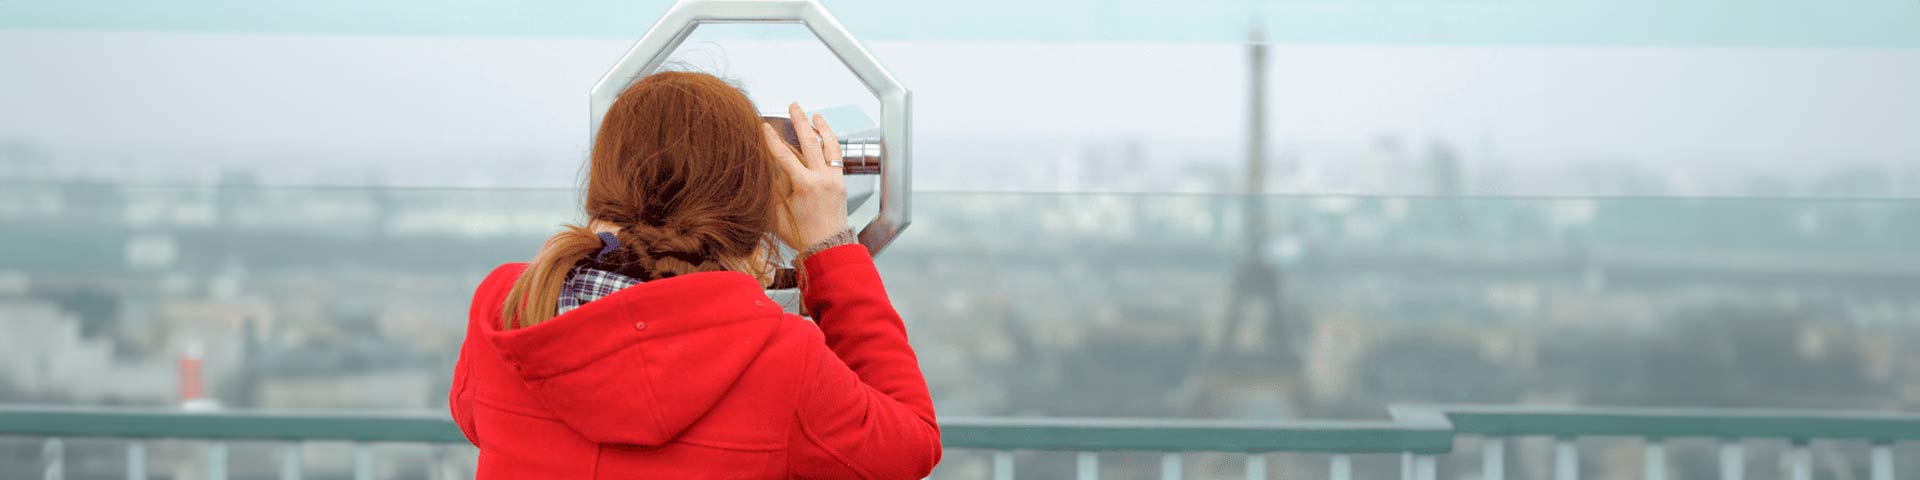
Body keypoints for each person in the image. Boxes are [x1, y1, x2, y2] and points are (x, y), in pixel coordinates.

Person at [446, 71, 940, 479]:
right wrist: (830, 248)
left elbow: (476, 417)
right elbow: (910, 447)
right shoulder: (781, 359)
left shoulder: (511, 305)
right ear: (748, 202)